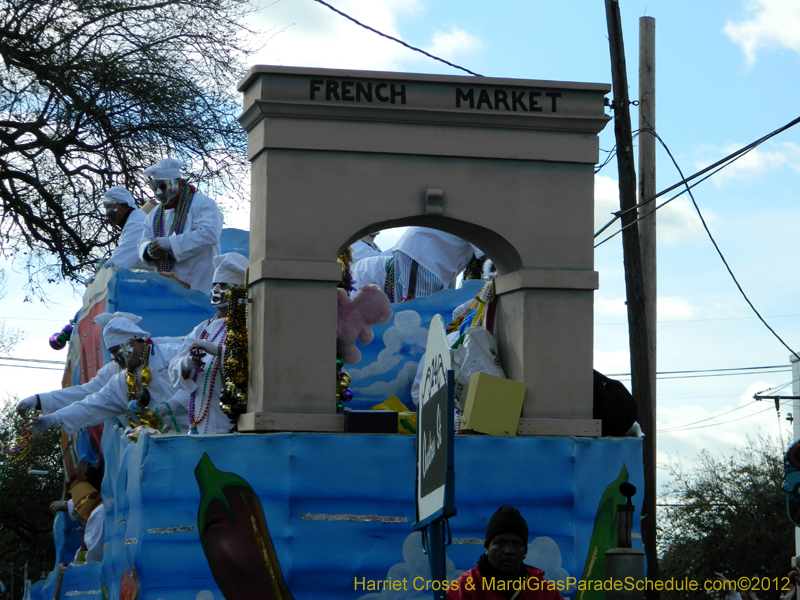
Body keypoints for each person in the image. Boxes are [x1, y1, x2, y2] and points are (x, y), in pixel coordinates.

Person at [27, 317, 190, 436]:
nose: (113, 359)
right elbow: (92, 403)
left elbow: (206, 377)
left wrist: (175, 403)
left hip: (207, 431)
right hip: (173, 444)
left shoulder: (172, 353)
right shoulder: (122, 381)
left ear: (131, 343)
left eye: (115, 351)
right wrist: (53, 419)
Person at [169, 253, 248, 434]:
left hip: (230, 425)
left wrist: (219, 351)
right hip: (200, 424)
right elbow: (173, 368)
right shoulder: (202, 328)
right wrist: (188, 362)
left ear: (238, 290)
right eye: (214, 285)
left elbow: (252, 361)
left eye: (223, 285)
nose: (216, 290)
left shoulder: (248, 324)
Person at [137, 157, 223, 292]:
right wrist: (149, 251)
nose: (159, 193)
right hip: (166, 291)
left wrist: (170, 243)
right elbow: (143, 240)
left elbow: (209, 234)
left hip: (199, 286)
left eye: (163, 187)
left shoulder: (202, 203)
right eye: (155, 189)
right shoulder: (153, 215)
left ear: (178, 183)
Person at [447, 505, 564, 600]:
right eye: (500, 542)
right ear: (487, 548)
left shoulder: (545, 592)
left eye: (517, 544)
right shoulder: (463, 589)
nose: (508, 551)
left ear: (524, 552)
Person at [353, 227, 482, 302]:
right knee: (418, 316)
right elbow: (488, 252)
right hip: (424, 255)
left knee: (428, 317)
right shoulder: (358, 251)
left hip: (431, 258)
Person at [102, 187, 151, 270]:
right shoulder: (131, 221)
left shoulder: (137, 222)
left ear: (122, 205)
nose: (108, 213)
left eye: (109, 207)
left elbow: (120, 261)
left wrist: (103, 274)